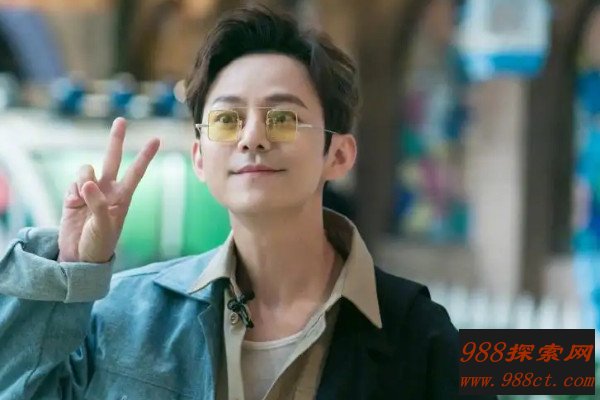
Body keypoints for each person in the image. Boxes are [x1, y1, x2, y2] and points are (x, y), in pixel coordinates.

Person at [0, 5, 497, 400]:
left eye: (283, 118)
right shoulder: (131, 315)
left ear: (339, 155)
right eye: (227, 119)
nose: (252, 137)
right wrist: (71, 267)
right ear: (200, 156)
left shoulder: (420, 336)